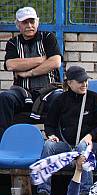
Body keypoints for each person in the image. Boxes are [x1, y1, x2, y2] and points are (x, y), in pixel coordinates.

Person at [33, 65, 97, 195]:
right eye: (80, 81)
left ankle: (85, 193)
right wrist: (51, 135)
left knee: (82, 147)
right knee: (49, 145)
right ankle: (43, 191)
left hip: (91, 146)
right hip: (67, 146)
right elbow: (50, 124)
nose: (84, 84)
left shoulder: (94, 98)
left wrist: (90, 136)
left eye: (86, 81)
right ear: (70, 83)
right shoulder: (60, 100)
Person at [0, 6, 62, 138]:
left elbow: (55, 62)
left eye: (32, 21)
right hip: (22, 92)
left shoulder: (48, 37)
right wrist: (42, 59)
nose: (29, 25)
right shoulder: (12, 43)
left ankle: (59, 141)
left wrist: (28, 73)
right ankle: (4, 141)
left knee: (60, 98)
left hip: (49, 91)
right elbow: (10, 65)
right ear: (18, 25)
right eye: (25, 22)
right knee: (5, 98)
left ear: (37, 22)